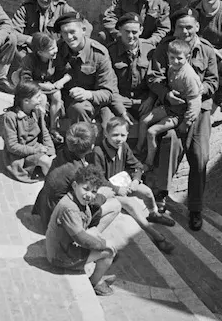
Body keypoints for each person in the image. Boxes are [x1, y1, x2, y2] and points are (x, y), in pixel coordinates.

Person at [146, 8, 218, 231]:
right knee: (168, 143)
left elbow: (214, 82)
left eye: (189, 27)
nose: (185, 31)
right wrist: (167, 94)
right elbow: (153, 77)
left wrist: (193, 93)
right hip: (171, 107)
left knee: (199, 156)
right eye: (180, 27)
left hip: (199, 109)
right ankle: (161, 195)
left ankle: (195, 209)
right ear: (174, 29)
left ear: (197, 27)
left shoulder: (206, 51)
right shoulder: (165, 49)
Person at [90, 117, 176, 254]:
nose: (119, 139)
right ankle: (157, 236)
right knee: (132, 206)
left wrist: (136, 180)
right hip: (109, 190)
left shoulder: (123, 147)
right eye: (115, 135)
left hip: (124, 183)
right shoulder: (98, 152)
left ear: (127, 135)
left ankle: (154, 214)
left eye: (123, 135)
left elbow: (137, 165)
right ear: (106, 134)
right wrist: (118, 189)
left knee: (147, 191)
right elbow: (99, 179)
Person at [45, 165, 121, 296]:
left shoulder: (75, 199)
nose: (89, 195)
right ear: (74, 185)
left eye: (94, 192)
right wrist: (104, 245)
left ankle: (98, 262)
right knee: (109, 252)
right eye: (86, 189)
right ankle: (95, 283)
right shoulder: (69, 208)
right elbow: (81, 239)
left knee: (104, 243)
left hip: (65, 245)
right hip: (60, 256)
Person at [32, 122, 121, 230]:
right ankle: (87, 238)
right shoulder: (78, 172)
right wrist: (103, 196)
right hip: (58, 222)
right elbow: (87, 200)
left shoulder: (63, 152)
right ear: (92, 147)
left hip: (46, 210)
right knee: (115, 205)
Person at [136, 39, 202, 170]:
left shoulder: (189, 76)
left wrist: (185, 123)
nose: (176, 61)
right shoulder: (172, 68)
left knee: (151, 131)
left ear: (187, 57)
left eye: (180, 58)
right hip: (169, 106)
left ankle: (149, 162)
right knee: (144, 120)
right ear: (168, 56)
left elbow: (195, 103)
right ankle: (139, 149)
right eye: (172, 58)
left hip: (179, 114)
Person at [52, 12, 120, 128]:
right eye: (64, 33)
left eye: (72, 32)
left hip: (89, 103)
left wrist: (87, 94)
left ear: (83, 30)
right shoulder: (56, 50)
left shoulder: (99, 54)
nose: (69, 37)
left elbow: (108, 93)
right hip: (62, 100)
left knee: (78, 108)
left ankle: (81, 144)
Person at [14, 32, 71, 144]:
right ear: (40, 52)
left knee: (57, 95)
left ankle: (53, 128)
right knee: (41, 99)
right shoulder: (29, 60)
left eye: (55, 47)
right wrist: (42, 85)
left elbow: (68, 73)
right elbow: (25, 80)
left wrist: (60, 82)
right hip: (33, 88)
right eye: (51, 49)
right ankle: (41, 129)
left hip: (50, 85)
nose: (55, 50)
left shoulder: (55, 58)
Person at [102, 13, 157, 124]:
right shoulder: (109, 52)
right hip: (118, 101)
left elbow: (157, 78)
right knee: (108, 123)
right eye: (127, 32)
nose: (131, 36)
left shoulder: (150, 50)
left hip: (145, 102)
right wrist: (121, 111)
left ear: (141, 30)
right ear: (120, 31)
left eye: (134, 32)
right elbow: (109, 84)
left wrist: (151, 99)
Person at [10, 0, 78, 58]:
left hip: (56, 55)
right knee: (12, 43)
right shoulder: (26, 9)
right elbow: (12, 32)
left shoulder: (62, 8)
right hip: (32, 54)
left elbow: (84, 24)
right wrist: (30, 40)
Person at [2, 81, 56, 183]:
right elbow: (12, 146)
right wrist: (37, 151)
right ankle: (53, 185)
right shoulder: (10, 118)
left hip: (38, 147)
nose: (41, 100)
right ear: (26, 101)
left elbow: (45, 133)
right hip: (20, 155)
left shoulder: (37, 111)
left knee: (54, 160)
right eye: (38, 97)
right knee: (45, 161)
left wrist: (51, 152)